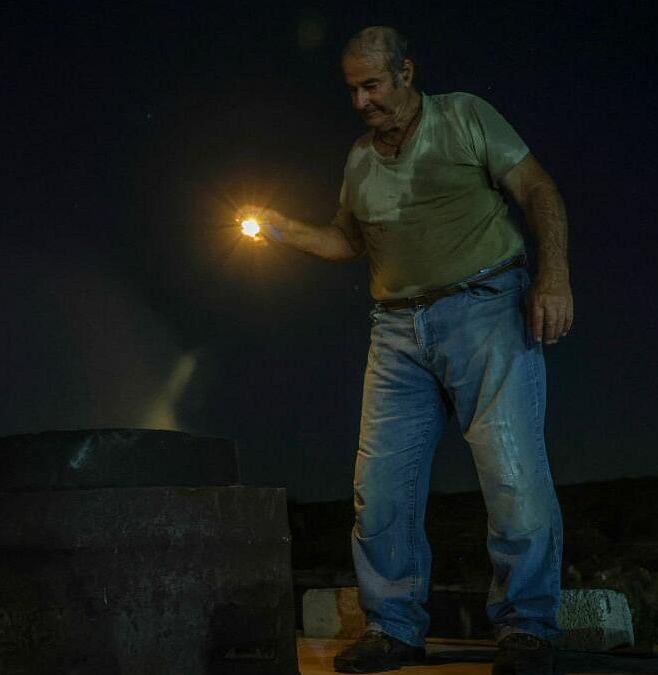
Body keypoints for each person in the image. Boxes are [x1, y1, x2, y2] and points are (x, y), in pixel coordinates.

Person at [246, 26, 573, 675]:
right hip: (396, 330)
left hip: (485, 307)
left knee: (512, 473)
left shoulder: (464, 117)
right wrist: (283, 231)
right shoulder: (360, 162)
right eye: (352, 90)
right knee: (380, 486)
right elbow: (347, 241)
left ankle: (528, 628)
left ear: (405, 73)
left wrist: (553, 275)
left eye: (373, 85)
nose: (362, 101)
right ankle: (393, 625)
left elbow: (537, 188)